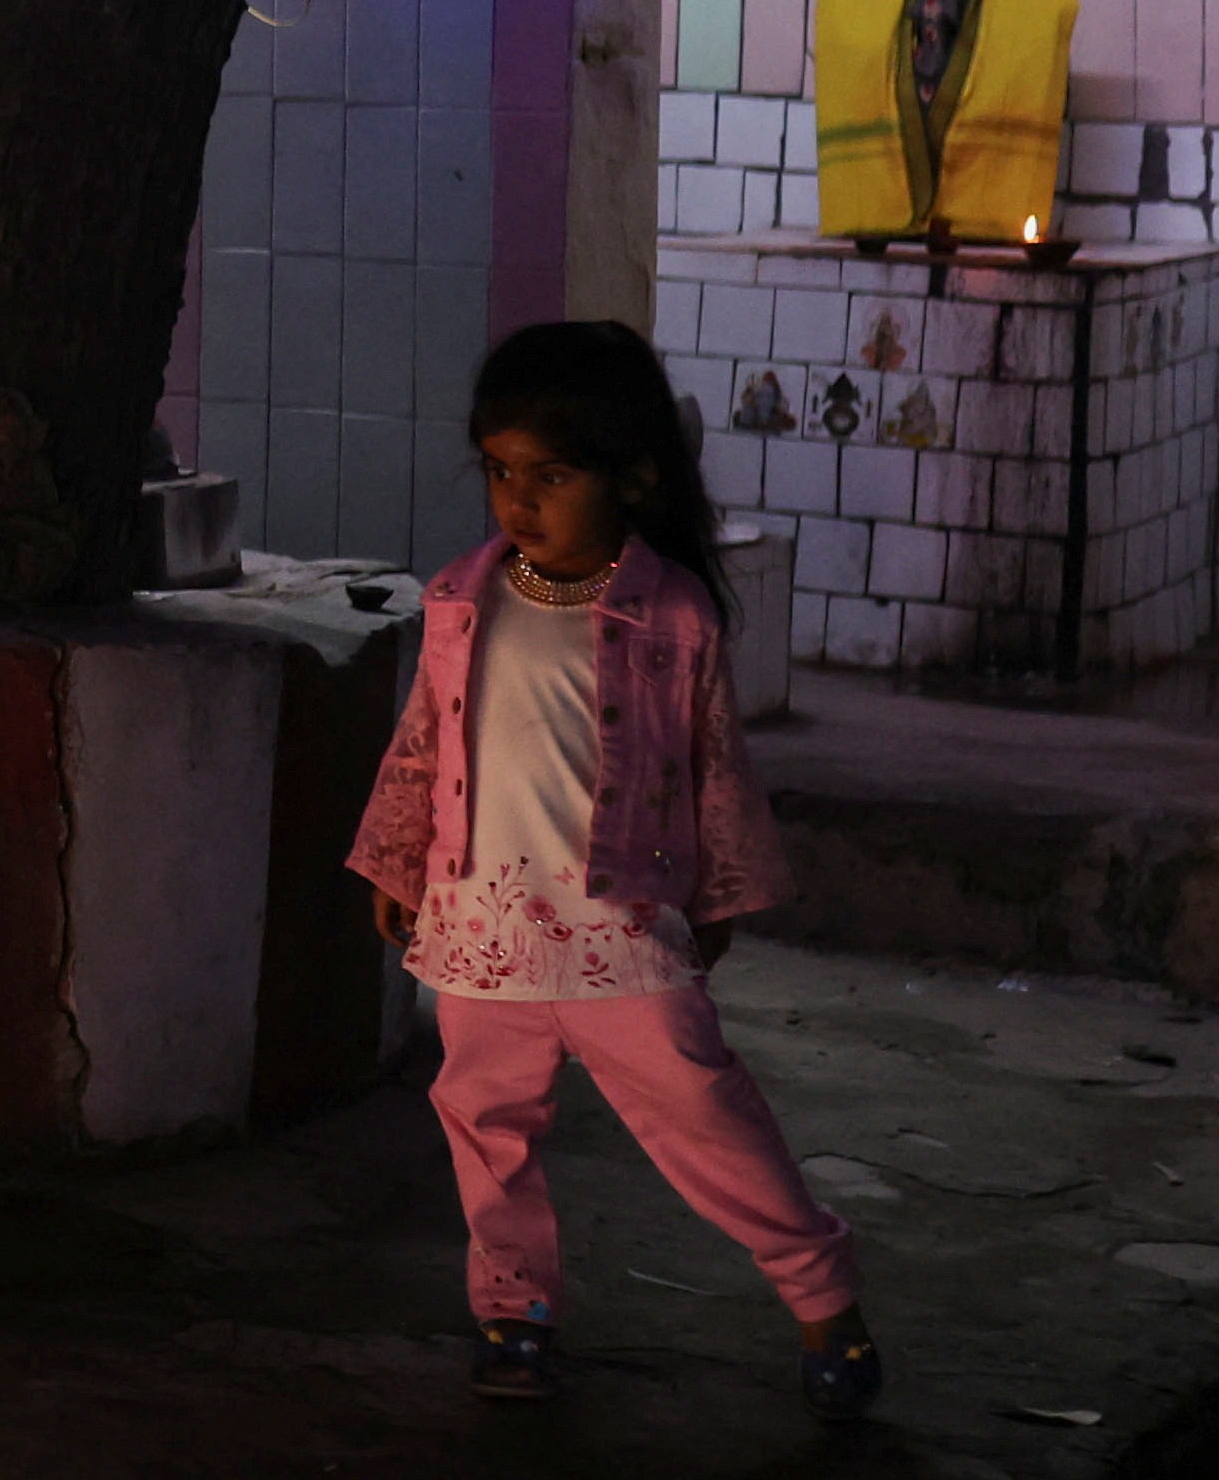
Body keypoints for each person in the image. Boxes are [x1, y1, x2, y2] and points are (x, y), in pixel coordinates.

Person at [348, 320, 881, 1417]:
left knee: (706, 1113)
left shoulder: (671, 616)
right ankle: (513, 1310)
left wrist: (719, 892)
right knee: (483, 1129)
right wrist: (399, 862)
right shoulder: (462, 599)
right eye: (501, 471)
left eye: (552, 473)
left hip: (618, 931)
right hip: (483, 931)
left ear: (633, 475)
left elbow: (713, 763)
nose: (518, 500)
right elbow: (422, 742)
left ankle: (824, 1297)